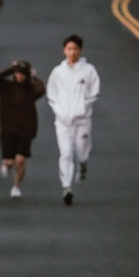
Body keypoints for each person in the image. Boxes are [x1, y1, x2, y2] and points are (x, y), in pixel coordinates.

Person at [47, 34, 100, 205]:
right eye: (69, 49)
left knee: (81, 151)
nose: (72, 52)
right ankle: (66, 187)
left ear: (80, 50)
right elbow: (51, 95)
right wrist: (59, 111)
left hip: (82, 121)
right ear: (64, 50)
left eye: (75, 49)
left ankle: (83, 165)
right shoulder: (58, 72)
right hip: (63, 122)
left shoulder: (89, 70)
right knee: (66, 153)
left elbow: (94, 93)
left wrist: (81, 109)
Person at [0, 61, 46, 199]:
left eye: (22, 74)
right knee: (9, 162)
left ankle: (16, 187)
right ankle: (6, 165)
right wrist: (11, 68)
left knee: (20, 160)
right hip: (7, 130)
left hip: (26, 130)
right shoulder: (5, 87)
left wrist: (34, 77)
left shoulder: (31, 90)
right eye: (17, 73)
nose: (19, 76)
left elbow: (41, 89)